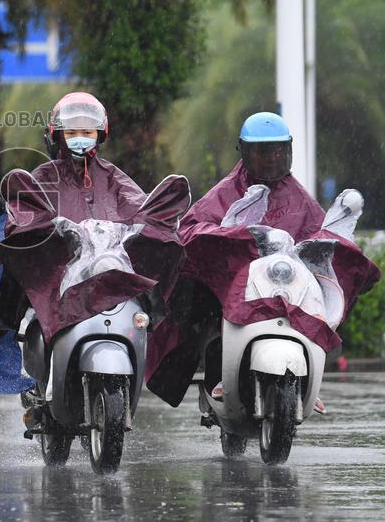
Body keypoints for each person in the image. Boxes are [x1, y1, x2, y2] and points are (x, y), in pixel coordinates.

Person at [145, 112, 380, 411]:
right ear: (244, 152)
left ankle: (308, 379)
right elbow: (191, 229)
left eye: (278, 150)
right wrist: (233, 235)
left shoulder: (301, 199)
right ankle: (219, 377)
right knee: (198, 310)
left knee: (325, 299)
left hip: (284, 288)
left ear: (288, 151)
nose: (271, 158)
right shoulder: (226, 191)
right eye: (262, 151)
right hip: (235, 289)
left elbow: (319, 238)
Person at [0, 92, 187, 394]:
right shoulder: (43, 177)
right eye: (72, 132)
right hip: (60, 267)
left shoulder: (114, 177)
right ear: (57, 135)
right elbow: (27, 208)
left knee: (156, 299)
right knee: (13, 288)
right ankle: (30, 369)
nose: (80, 138)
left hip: (105, 263)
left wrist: (147, 225)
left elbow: (138, 206)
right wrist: (49, 229)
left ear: (100, 135)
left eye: (87, 132)